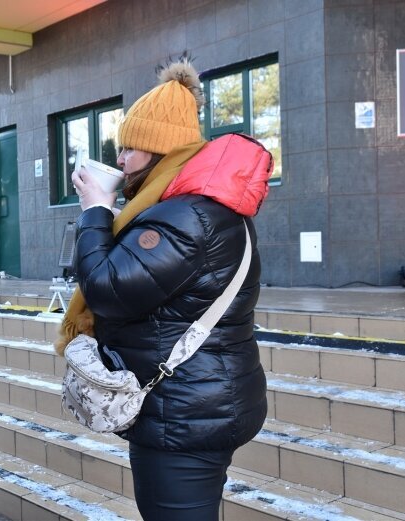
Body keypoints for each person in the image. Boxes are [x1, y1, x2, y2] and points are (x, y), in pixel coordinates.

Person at [56, 55, 270, 520]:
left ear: (159, 151)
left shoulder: (185, 214)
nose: (119, 159)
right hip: (199, 402)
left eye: (129, 148)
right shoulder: (195, 207)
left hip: (183, 414)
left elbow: (107, 288)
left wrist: (95, 211)